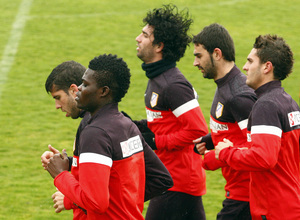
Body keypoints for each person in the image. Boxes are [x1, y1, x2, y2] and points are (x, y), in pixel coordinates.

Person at [46, 54, 173, 219]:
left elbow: (96, 203)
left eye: (84, 84)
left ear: (103, 91)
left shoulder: (95, 133)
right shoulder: (128, 126)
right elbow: (161, 178)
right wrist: (122, 205)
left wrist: (60, 175)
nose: (79, 90)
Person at [134, 4, 209, 220]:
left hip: (178, 182)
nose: (138, 39)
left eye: (145, 35)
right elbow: (166, 123)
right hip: (171, 179)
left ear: (159, 46)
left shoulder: (173, 85)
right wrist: (136, 125)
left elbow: (197, 130)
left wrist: (157, 142)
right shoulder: (158, 79)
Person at [215, 34, 300, 220]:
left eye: (250, 61)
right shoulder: (289, 103)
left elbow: (264, 158)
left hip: (274, 210)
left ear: (266, 67)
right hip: (290, 204)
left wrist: (226, 153)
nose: (244, 67)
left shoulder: (266, 105)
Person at [192, 23, 256, 220]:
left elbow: (257, 145)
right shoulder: (225, 86)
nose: (195, 63)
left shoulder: (239, 96)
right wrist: (211, 139)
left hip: (246, 196)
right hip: (237, 193)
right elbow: (235, 130)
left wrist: (215, 157)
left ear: (217, 54)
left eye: (199, 55)